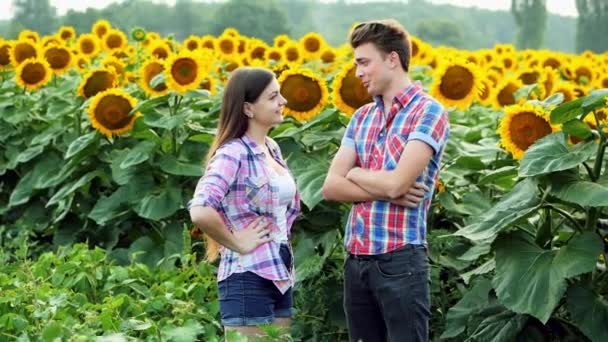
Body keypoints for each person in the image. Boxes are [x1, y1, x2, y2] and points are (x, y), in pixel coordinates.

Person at [322, 19, 450, 342]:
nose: (358, 72)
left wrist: (356, 173)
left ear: (392, 59)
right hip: (356, 262)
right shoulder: (362, 117)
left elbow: (397, 184)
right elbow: (331, 187)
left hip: (400, 262)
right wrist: (385, 189)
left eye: (364, 62)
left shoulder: (428, 112)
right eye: (356, 64)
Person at [188, 67, 300, 340]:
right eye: (274, 96)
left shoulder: (271, 148)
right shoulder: (232, 153)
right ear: (248, 108)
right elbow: (200, 209)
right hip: (247, 275)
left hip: (280, 270)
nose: (283, 101)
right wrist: (237, 241)